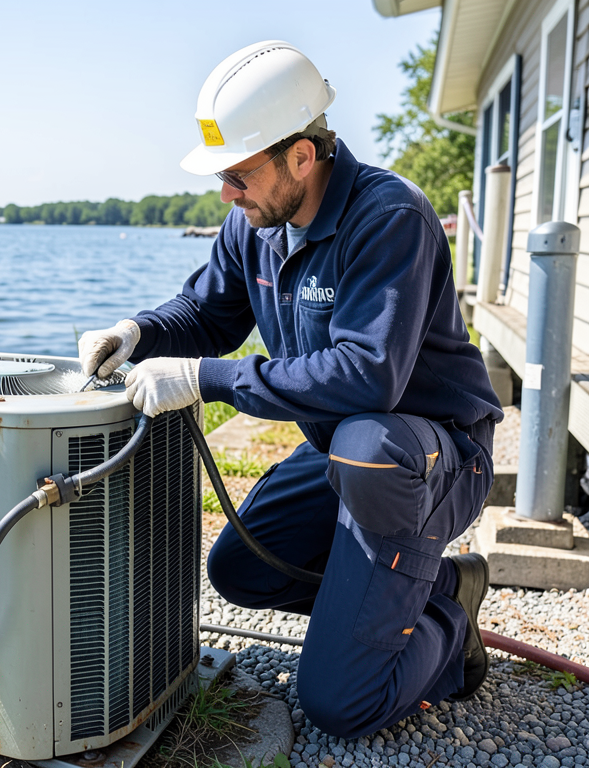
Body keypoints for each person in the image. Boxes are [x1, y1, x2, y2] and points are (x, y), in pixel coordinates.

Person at [78, 40, 504, 738]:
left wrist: (205, 380)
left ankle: (450, 628)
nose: (226, 192)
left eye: (239, 174)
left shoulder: (388, 217)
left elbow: (368, 374)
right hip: (350, 454)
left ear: (301, 156)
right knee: (243, 568)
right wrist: (137, 334)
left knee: (341, 703)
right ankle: (432, 587)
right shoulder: (257, 223)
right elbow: (209, 315)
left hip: (432, 459)